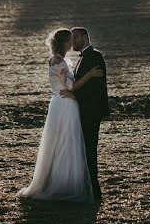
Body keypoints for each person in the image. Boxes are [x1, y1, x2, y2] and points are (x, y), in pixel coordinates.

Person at [18, 28, 102, 203]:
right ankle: (65, 183)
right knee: (66, 142)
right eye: (71, 39)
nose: (74, 42)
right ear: (65, 43)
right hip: (65, 105)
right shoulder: (61, 62)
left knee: (60, 142)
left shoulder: (57, 59)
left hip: (59, 103)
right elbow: (70, 88)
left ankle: (61, 180)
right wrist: (90, 75)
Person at [60, 27, 109, 200]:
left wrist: (73, 94)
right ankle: (89, 187)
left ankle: (95, 190)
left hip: (91, 111)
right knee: (85, 150)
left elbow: (94, 88)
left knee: (89, 150)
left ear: (85, 37)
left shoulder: (95, 56)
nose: (72, 42)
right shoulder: (82, 58)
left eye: (75, 38)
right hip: (85, 110)